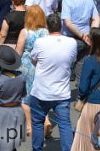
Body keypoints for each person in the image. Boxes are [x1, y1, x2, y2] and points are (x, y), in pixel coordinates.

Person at [27, 13, 77, 151]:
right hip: (62, 93)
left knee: (37, 122)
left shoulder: (40, 42)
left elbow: (33, 60)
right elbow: (72, 60)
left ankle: (37, 149)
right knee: (65, 124)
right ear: (60, 26)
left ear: (47, 26)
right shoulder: (71, 42)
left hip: (41, 92)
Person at [73, 29, 100, 151]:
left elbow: (83, 87)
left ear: (93, 42)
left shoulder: (90, 60)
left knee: (86, 140)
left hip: (92, 104)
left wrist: (81, 97)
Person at [0, 44, 27, 151]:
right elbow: (23, 95)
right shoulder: (21, 77)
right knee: (12, 142)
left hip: (2, 113)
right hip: (17, 111)